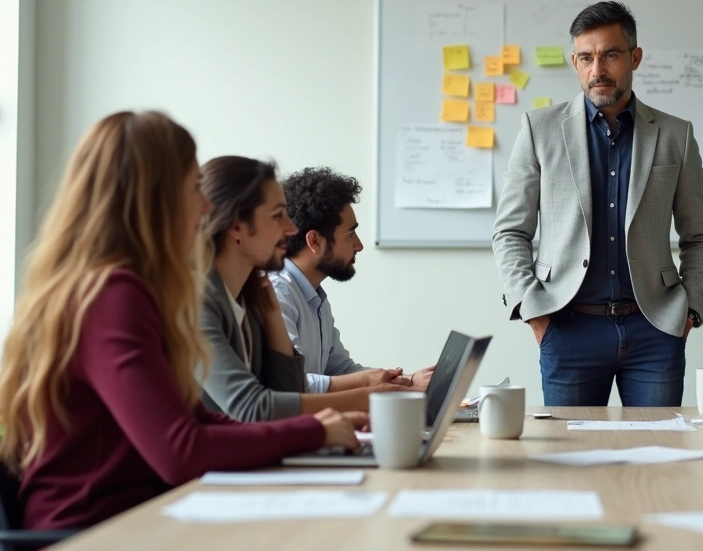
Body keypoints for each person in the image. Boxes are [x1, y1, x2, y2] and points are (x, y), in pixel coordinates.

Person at [0, 112, 360, 530]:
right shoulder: (111, 295)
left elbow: (196, 421)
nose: (207, 206)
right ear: (152, 197)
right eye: (193, 187)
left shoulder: (122, 286)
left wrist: (319, 424)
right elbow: (180, 450)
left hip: (139, 518)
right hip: (97, 531)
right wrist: (315, 431)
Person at [492, 0, 703, 407]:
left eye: (610, 55)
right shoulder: (539, 130)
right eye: (586, 57)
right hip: (567, 327)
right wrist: (532, 309)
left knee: (657, 457)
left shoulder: (675, 136)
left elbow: (700, 235)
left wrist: (689, 309)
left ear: (634, 57)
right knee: (568, 462)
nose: (597, 70)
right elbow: (510, 231)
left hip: (655, 329)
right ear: (575, 62)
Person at [199, 156, 396, 421]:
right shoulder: (199, 303)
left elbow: (288, 390)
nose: (291, 228)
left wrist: (270, 313)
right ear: (237, 227)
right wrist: (372, 398)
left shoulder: (252, 292)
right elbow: (254, 408)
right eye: (277, 216)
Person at [271, 167, 434, 394]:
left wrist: (408, 380)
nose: (359, 245)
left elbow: (340, 369)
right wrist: (379, 383)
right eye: (350, 235)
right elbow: (291, 384)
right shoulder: (277, 293)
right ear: (315, 241)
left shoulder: (314, 296)